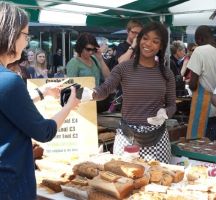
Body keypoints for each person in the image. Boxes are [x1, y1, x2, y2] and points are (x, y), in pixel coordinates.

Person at [0, 2, 80, 199]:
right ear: (11, 34)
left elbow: (7, 108)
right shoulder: (9, 80)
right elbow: (44, 131)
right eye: (26, 35)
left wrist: (42, 93)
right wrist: (70, 105)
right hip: (11, 183)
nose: (27, 43)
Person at [89, 22, 176, 163]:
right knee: (124, 180)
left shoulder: (167, 74)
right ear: (139, 40)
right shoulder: (123, 68)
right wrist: (90, 93)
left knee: (158, 180)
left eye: (155, 41)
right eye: (145, 38)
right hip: (127, 137)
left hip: (158, 138)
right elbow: (105, 88)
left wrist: (164, 113)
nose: (148, 44)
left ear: (161, 46)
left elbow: (172, 105)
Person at [186, 25, 216, 141]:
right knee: (212, 145)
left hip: (203, 107)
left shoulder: (200, 51)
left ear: (199, 39)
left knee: (198, 145)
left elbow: (193, 84)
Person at [66, 32, 110, 113]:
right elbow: (70, 87)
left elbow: (108, 77)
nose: (90, 52)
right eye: (88, 49)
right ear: (80, 47)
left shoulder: (95, 59)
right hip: (81, 104)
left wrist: (100, 59)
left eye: (93, 49)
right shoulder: (74, 63)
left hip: (96, 102)